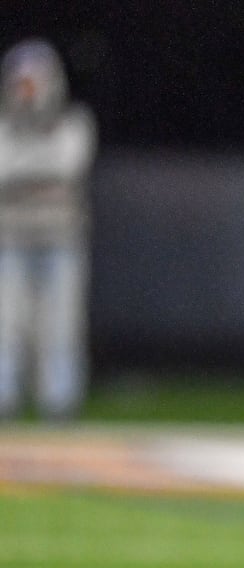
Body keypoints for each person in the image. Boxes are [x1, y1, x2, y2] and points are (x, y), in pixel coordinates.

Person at [0, 38, 97, 420]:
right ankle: (5, 396)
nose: (29, 91)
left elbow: (68, 167)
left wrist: (23, 172)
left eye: (34, 82)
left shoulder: (74, 124)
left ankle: (59, 402)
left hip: (62, 239)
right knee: (7, 322)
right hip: (10, 239)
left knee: (62, 325)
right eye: (22, 83)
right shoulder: (5, 128)